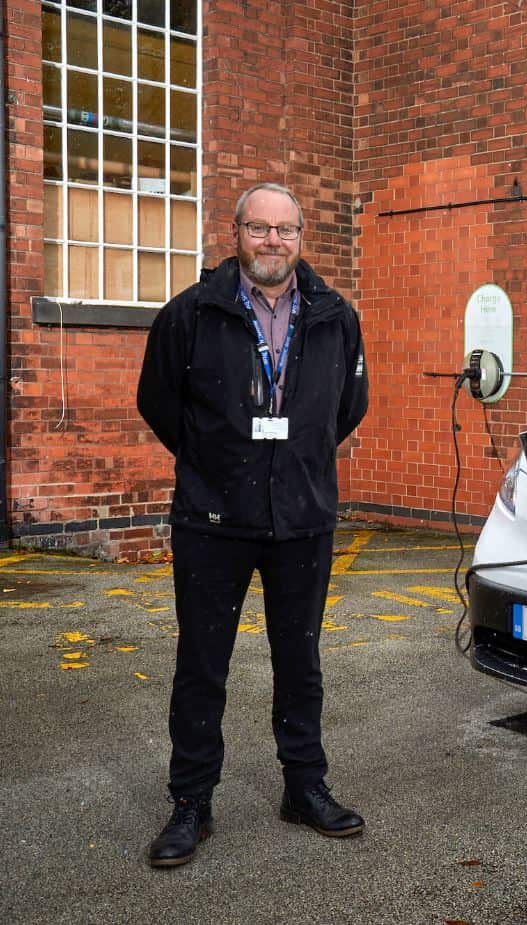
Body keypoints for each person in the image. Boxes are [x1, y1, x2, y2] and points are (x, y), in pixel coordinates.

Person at [137, 182, 369, 867]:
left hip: (302, 518)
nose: (273, 242)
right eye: (260, 229)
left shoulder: (334, 316)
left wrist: (294, 463)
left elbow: (346, 408)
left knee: (300, 662)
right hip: (213, 518)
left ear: (302, 236)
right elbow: (158, 401)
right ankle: (190, 802)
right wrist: (218, 460)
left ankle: (305, 786)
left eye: (286, 230)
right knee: (201, 666)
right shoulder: (192, 314)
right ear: (235, 232)